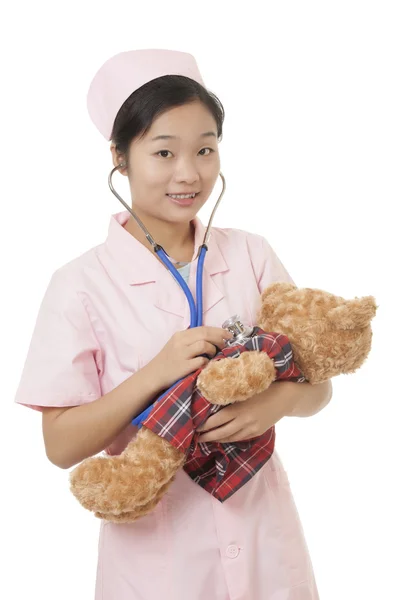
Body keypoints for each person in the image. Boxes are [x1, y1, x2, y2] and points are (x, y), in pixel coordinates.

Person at [14, 49, 332, 600]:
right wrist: (154, 374)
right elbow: (60, 445)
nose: (189, 174)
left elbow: (318, 384)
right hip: (155, 563)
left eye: (205, 150)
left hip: (264, 542)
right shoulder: (81, 284)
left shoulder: (252, 255)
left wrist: (274, 404)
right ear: (119, 155)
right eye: (164, 152)